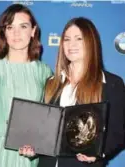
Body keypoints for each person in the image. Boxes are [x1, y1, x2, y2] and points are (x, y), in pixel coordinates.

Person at [0, 4, 52, 167]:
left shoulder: (44, 71)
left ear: (33, 31)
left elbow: (45, 124)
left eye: (23, 26)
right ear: (3, 32)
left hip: (26, 159)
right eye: (10, 27)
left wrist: (37, 150)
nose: (16, 33)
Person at [36, 17, 125, 167]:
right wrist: (33, 145)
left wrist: (98, 153)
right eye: (67, 39)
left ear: (91, 42)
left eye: (79, 38)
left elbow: (118, 131)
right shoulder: (51, 82)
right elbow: (43, 129)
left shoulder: (111, 83)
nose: (71, 45)